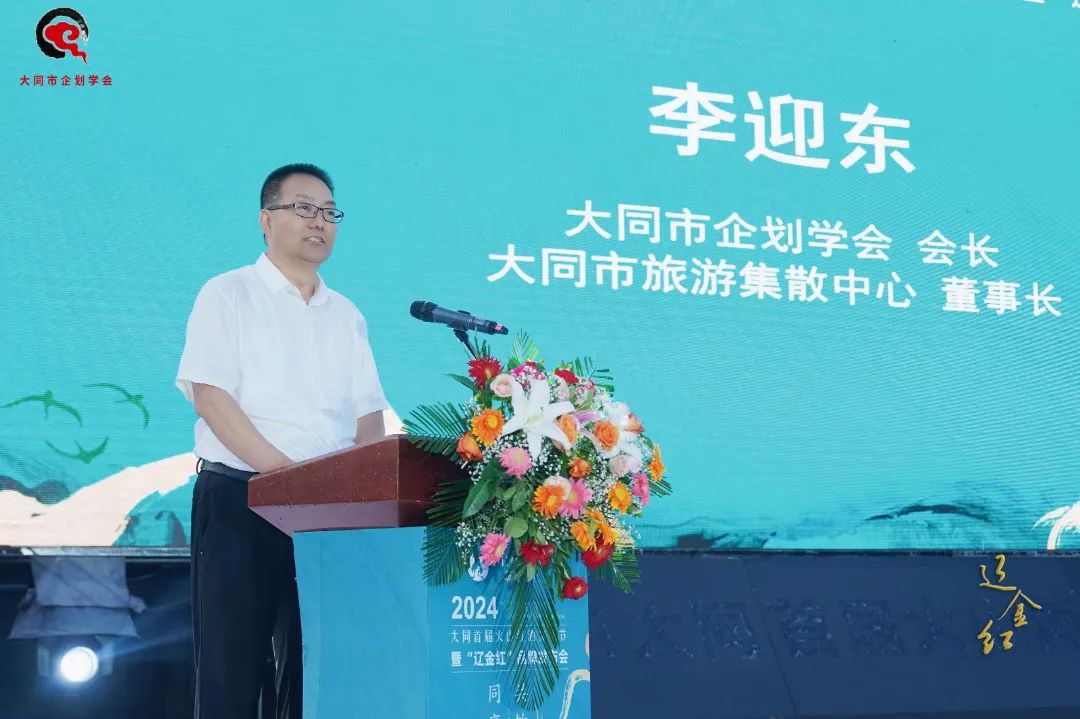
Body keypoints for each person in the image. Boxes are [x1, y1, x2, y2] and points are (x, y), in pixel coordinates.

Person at [176, 163, 391, 718]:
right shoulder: (228, 294)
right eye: (304, 208)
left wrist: (351, 491)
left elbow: (368, 418)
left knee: (315, 672)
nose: (319, 222)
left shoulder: (347, 315)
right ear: (266, 220)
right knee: (231, 673)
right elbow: (210, 396)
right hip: (241, 500)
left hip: (325, 517)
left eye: (329, 212)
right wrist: (286, 480)